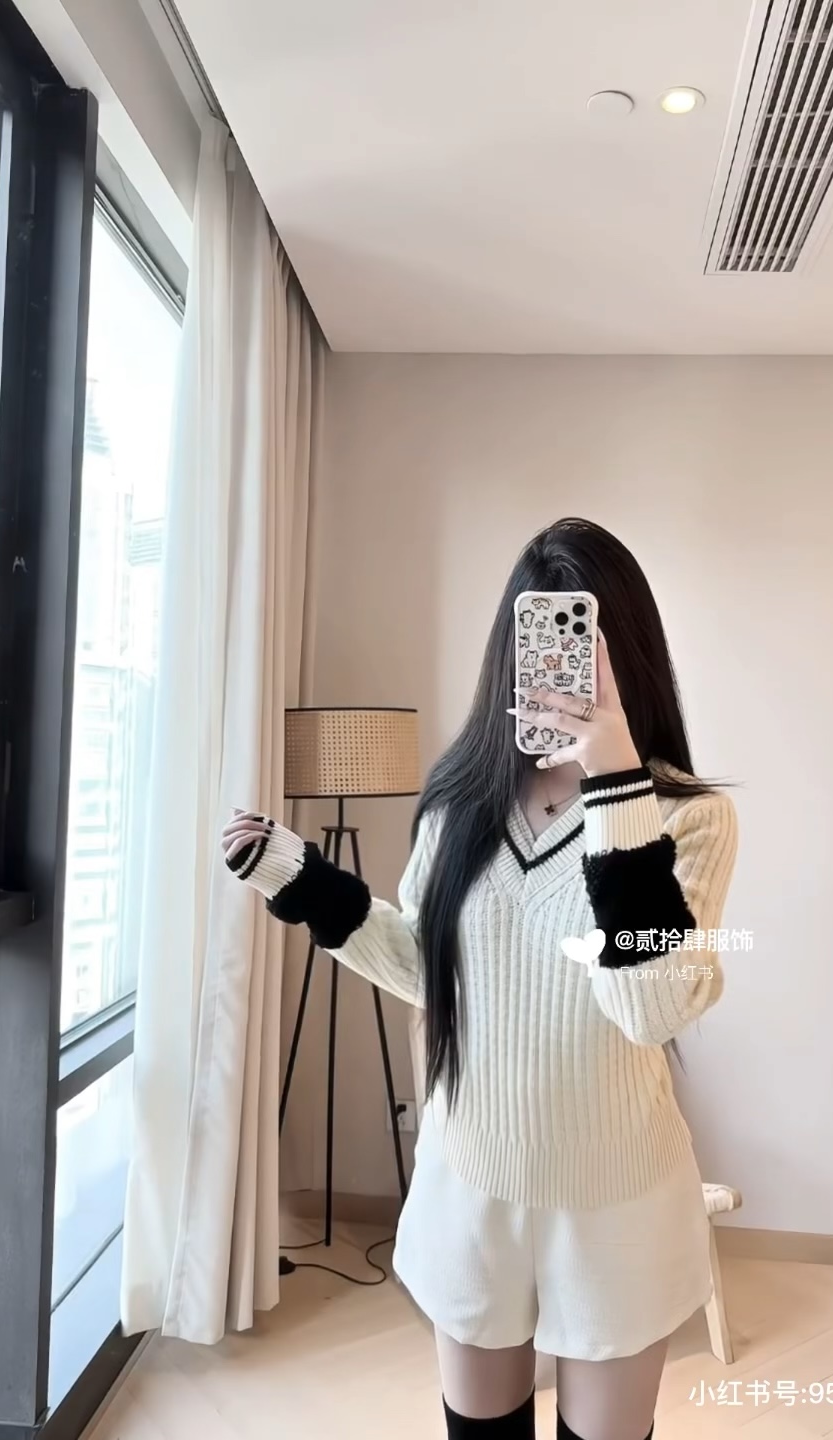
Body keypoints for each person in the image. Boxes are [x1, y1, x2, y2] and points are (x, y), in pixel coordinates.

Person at [221, 517, 739, 1440]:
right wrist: (298, 878)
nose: (561, 670)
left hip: (616, 1203)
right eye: (540, 641)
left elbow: (648, 1006)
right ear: (511, 651)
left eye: (584, 643)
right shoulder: (459, 804)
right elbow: (427, 969)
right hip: (471, 1185)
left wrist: (615, 781)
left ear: (627, 655)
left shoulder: (686, 820)